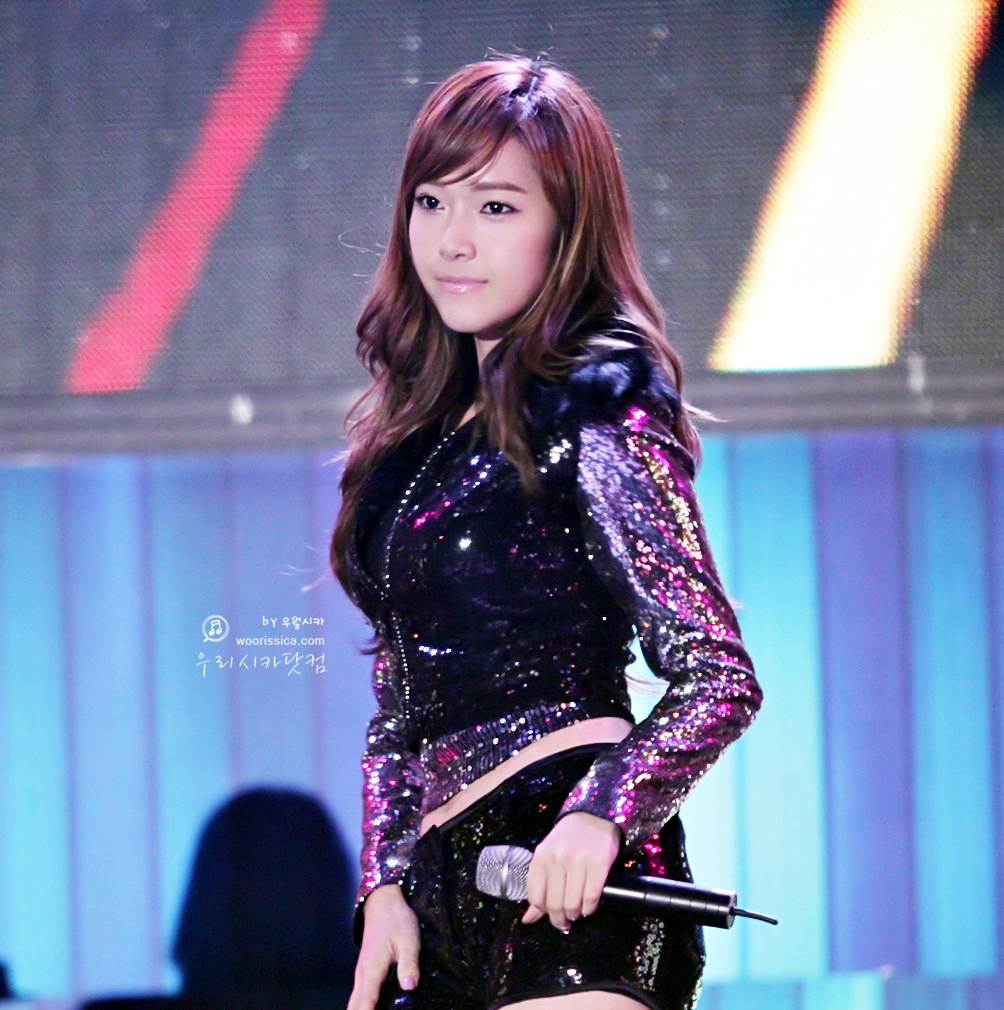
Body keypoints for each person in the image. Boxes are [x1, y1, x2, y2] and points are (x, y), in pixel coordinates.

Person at [330, 56, 761, 1010]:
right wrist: (386, 881)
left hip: (569, 877)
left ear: (568, 227)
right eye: (431, 202)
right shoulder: (415, 441)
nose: (451, 240)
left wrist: (604, 812)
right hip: (438, 895)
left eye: (496, 207)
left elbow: (718, 674)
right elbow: (398, 707)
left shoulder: (598, 408)